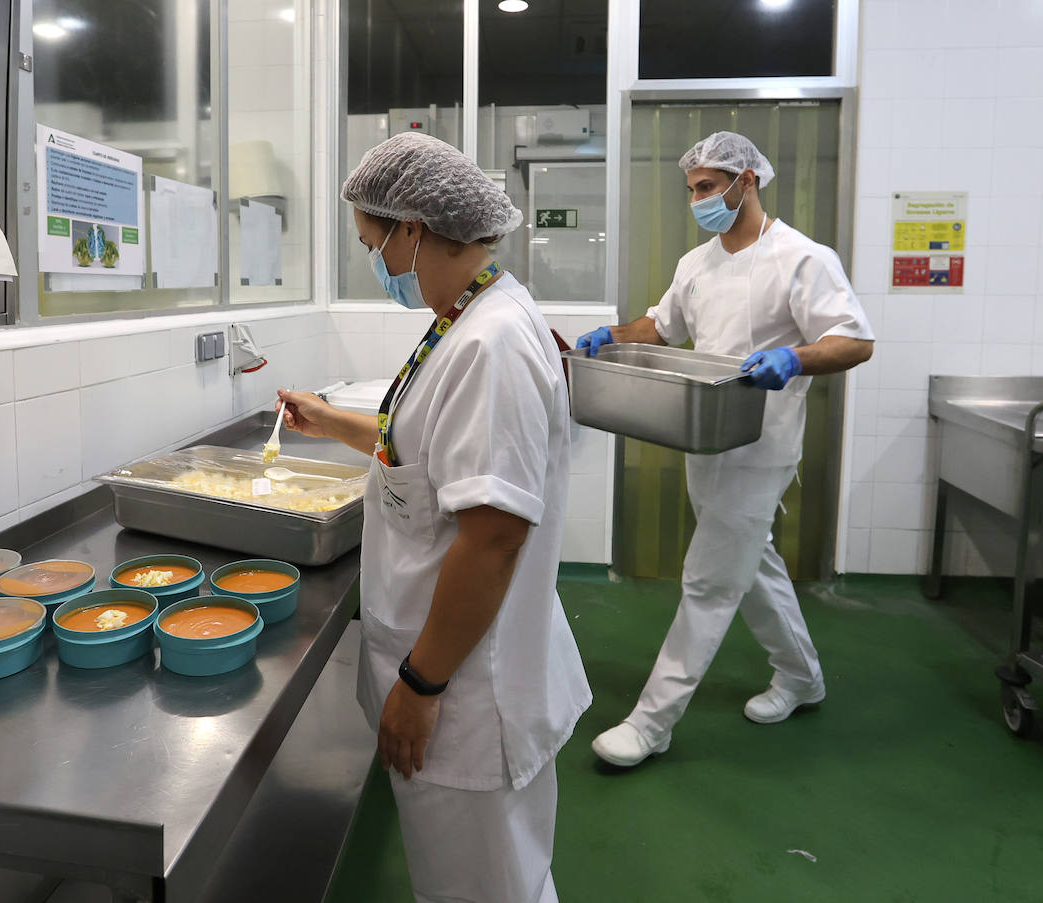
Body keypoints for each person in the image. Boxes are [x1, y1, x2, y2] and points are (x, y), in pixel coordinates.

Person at [276, 131, 591, 903]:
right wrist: (333, 421)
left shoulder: (493, 344)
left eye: (371, 243)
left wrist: (420, 685)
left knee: (480, 890)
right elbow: (425, 451)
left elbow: (492, 538)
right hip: (459, 675)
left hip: (467, 696)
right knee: (504, 881)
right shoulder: (469, 314)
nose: (375, 263)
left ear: (412, 229)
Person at [579, 131, 874, 768]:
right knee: (753, 559)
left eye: (708, 187)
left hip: (763, 445)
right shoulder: (698, 263)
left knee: (710, 580)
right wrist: (611, 334)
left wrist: (796, 356)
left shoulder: (802, 258)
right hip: (706, 437)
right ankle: (801, 676)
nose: (699, 200)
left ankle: (651, 722)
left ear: (748, 182)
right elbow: (660, 327)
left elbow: (854, 341)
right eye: (692, 191)